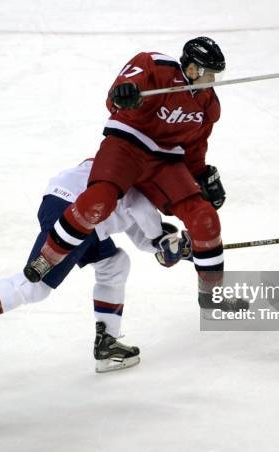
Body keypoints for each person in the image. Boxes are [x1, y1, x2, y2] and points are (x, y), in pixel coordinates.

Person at [0, 159, 190, 373]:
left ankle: (107, 344)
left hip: (76, 211)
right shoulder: (145, 181)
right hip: (74, 213)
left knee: (115, 263)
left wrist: (172, 248)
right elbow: (141, 212)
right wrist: (166, 243)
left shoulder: (143, 179)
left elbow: (141, 233)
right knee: (36, 286)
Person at [24, 37, 227, 307]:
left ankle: (212, 295)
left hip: (165, 161)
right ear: (192, 69)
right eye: (209, 73)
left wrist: (200, 175)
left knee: (204, 217)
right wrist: (124, 94)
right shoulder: (154, 64)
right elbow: (115, 99)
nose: (213, 80)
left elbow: (195, 146)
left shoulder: (207, 104)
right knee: (99, 200)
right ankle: (47, 256)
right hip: (127, 145)